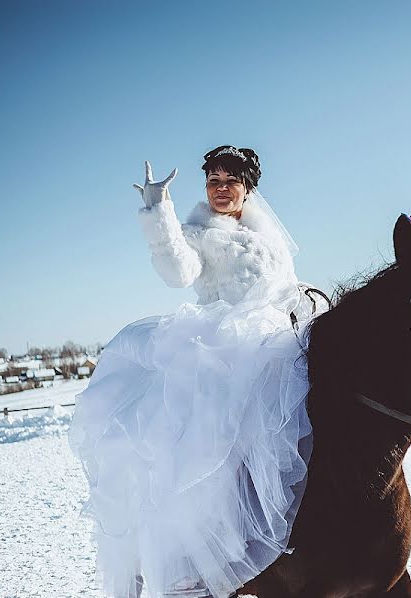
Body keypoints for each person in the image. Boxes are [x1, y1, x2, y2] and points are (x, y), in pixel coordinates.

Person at [69, 146, 318, 598]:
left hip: (276, 335)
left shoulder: (270, 235)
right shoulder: (199, 233)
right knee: (206, 439)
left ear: (248, 187)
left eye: (230, 180)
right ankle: (194, 555)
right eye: (213, 181)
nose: (221, 189)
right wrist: (158, 213)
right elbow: (177, 270)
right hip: (225, 345)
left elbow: (282, 287)